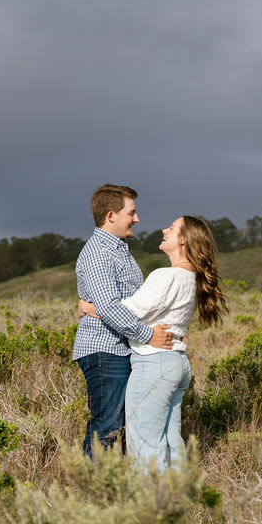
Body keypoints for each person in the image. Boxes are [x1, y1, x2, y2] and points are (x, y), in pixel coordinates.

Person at [80, 215, 227, 470]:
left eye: (171, 228)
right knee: (171, 440)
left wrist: (88, 307)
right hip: (177, 363)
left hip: (153, 364)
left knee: (145, 442)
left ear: (183, 240)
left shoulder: (166, 276)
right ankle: (177, 498)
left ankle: (153, 504)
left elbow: (128, 310)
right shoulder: (191, 278)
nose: (164, 229)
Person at [72, 184, 173, 457]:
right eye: (132, 213)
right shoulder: (99, 253)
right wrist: (148, 335)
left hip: (120, 349)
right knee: (107, 426)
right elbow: (109, 306)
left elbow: (120, 302)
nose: (137, 219)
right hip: (105, 351)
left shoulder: (118, 249)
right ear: (111, 216)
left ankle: (122, 488)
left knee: (124, 425)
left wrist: (90, 307)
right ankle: (90, 492)